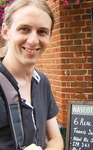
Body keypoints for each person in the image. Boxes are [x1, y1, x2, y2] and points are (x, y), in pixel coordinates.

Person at [0, 0, 64, 150]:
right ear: (5, 32)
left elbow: (55, 138)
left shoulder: (42, 81)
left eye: (42, 31)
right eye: (24, 29)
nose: (33, 40)